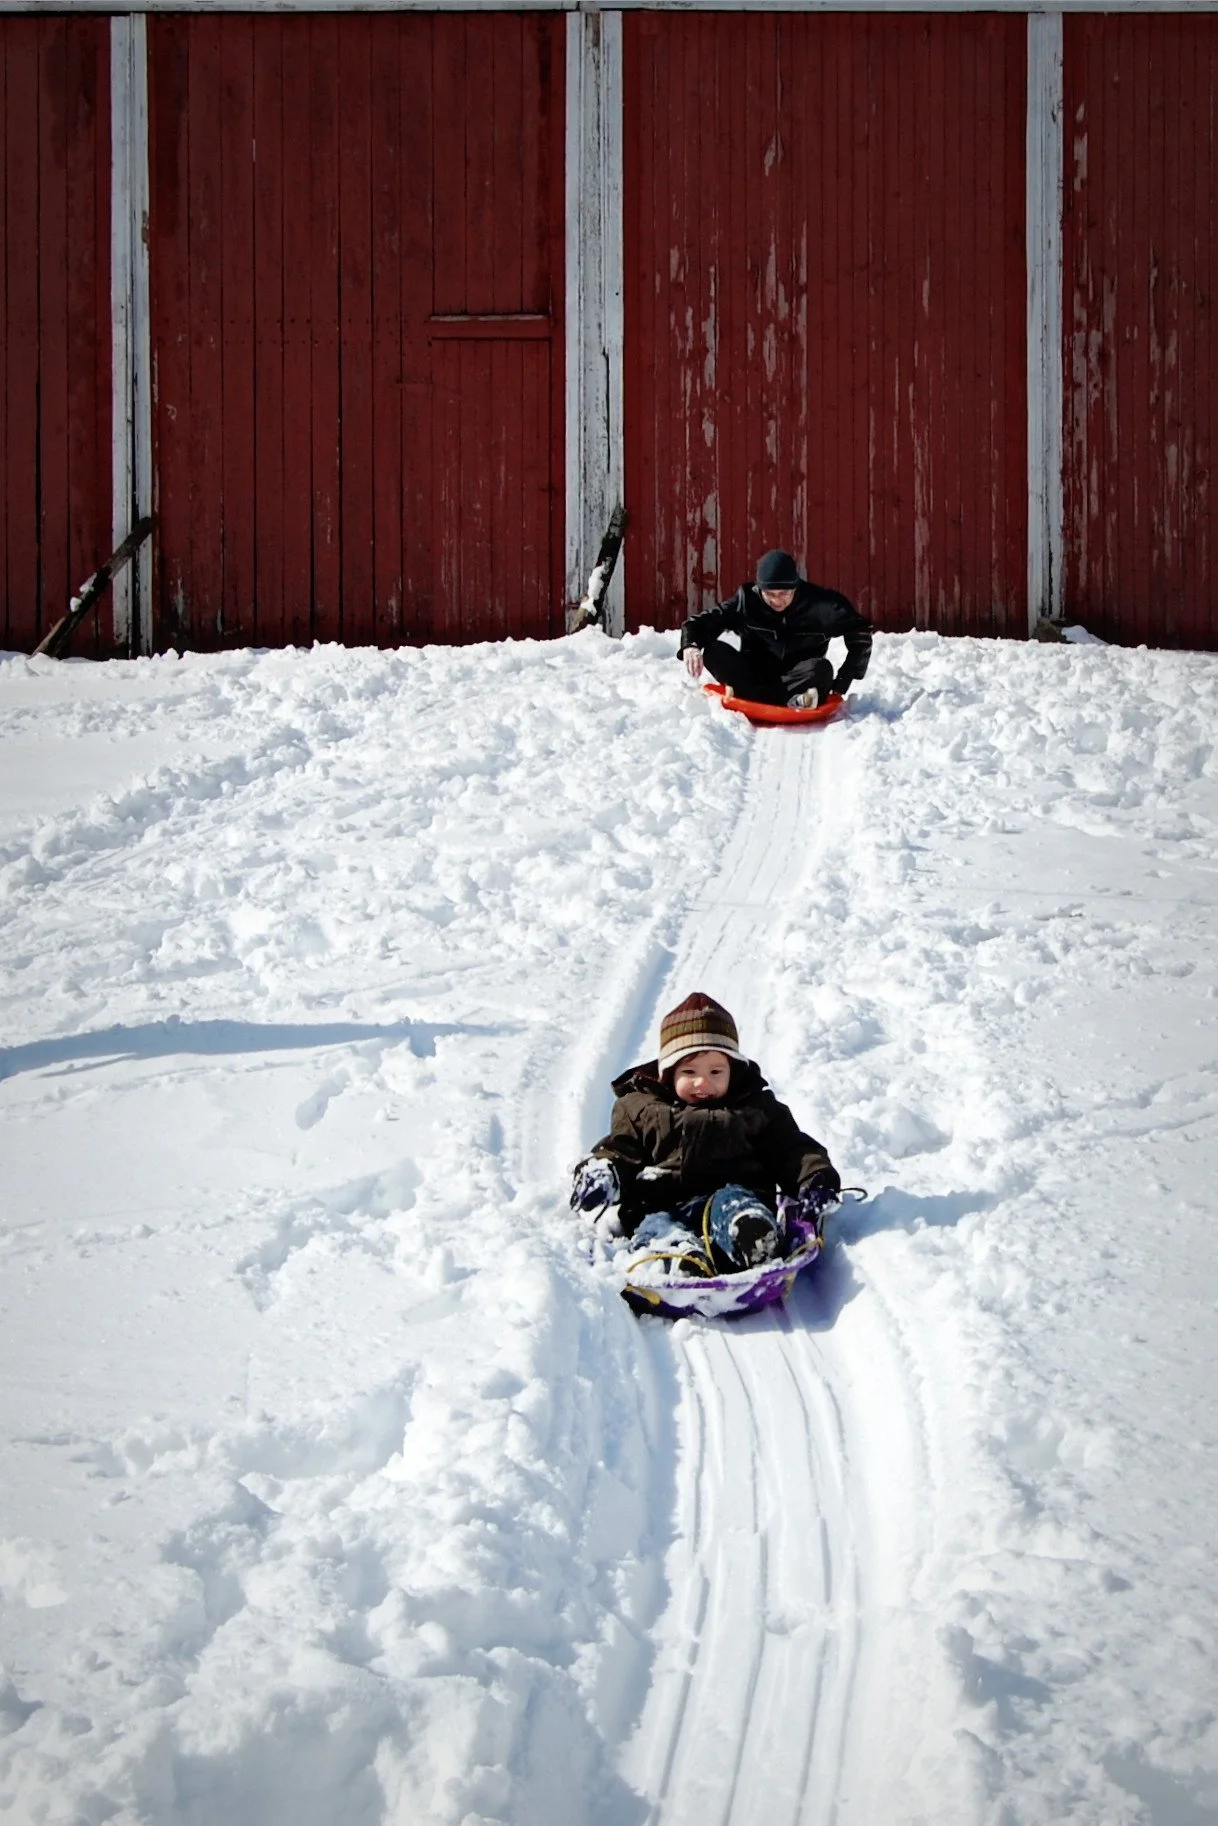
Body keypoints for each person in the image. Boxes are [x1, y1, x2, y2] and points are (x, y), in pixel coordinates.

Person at [569, 991, 841, 1277]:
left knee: (735, 1201)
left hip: (729, 1200)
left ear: (732, 1071)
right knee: (656, 1226)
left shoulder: (755, 1108)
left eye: (715, 1071)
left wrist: (815, 1179)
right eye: (689, 1071)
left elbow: (791, 1149)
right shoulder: (642, 1109)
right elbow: (620, 1150)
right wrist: (604, 1172)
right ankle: (679, 1259)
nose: (703, 1082)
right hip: (661, 1205)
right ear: (668, 1074)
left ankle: (752, 1236)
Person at [680, 548, 873, 709]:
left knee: (821, 669)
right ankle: (792, 700)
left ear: (796, 587)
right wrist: (691, 646)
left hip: (798, 676)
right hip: (754, 672)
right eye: (770, 594)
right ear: (759, 589)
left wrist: (846, 675)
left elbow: (860, 631)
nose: (777, 600)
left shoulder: (822, 604)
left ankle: (747, 694)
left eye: (784, 593)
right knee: (713, 651)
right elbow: (700, 622)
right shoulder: (747, 600)